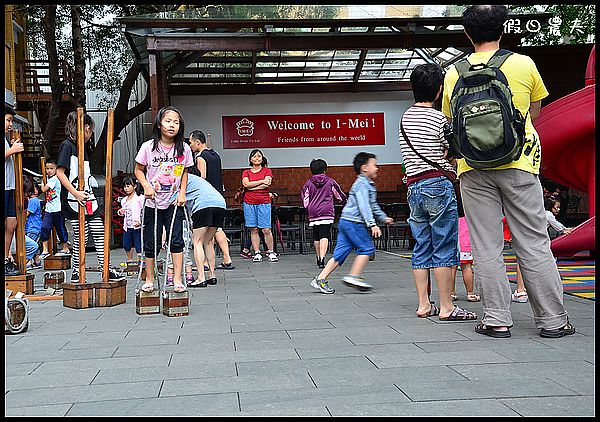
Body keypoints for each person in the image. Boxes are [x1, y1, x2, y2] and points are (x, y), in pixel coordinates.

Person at [442, 5, 574, 338]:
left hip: (472, 168)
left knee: (486, 245)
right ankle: (553, 321)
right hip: (519, 163)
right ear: (503, 29)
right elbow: (534, 112)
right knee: (533, 242)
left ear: (467, 34)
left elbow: (451, 122)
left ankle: (497, 319)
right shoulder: (522, 63)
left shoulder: (453, 72)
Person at [399, 63, 477, 321]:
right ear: (439, 90)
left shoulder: (404, 119)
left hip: (413, 187)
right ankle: (447, 307)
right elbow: (454, 151)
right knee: (444, 245)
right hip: (438, 185)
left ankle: (424, 304)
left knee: (421, 245)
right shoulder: (440, 119)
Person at [56, 111, 124, 282]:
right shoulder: (67, 145)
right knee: (81, 235)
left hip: (87, 197)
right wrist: (75, 192)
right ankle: (77, 271)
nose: (91, 133)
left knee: (99, 230)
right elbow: (60, 172)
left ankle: (105, 268)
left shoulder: (82, 148)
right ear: (85, 128)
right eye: (90, 129)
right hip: (73, 199)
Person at [310, 152, 392, 294]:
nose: (377, 168)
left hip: (346, 222)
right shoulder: (362, 184)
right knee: (367, 249)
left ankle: (320, 279)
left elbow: (373, 205)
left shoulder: (367, 184)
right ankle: (353, 276)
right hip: (354, 223)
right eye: (375, 165)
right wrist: (372, 224)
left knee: (339, 254)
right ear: (364, 168)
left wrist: (383, 218)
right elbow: (364, 206)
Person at [134, 106, 193, 293]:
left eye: (176, 122)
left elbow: (185, 172)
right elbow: (138, 170)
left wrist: (182, 193)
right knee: (152, 242)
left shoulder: (183, 148)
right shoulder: (148, 147)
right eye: (168, 121)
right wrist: (147, 187)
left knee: (177, 240)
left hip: (175, 204)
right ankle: (150, 278)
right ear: (159, 124)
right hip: (152, 203)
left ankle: (176, 278)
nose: (172, 125)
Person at [189, 130, 234, 270]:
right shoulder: (216, 155)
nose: (190, 146)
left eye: (190, 142)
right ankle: (226, 258)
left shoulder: (201, 157)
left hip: (207, 198)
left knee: (209, 233)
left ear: (198, 142)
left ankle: (208, 262)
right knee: (217, 229)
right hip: (219, 195)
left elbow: (201, 177)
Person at [301, 158, 346, 269]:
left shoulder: (308, 183)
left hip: (313, 211)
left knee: (316, 236)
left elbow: (305, 198)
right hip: (327, 211)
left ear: (311, 170)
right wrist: (344, 200)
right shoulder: (330, 181)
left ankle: (317, 257)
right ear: (325, 170)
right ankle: (322, 258)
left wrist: (308, 207)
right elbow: (339, 194)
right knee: (324, 234)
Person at [184, 173, 227, 287]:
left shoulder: (181, 178)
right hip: (220, 204)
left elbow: (176, 198)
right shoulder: (198, 180)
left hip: (203, 205)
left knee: (197, 241)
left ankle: (201, 277)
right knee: (208, 241)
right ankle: (212, 276)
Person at [241, 149, 278, 262]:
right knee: (254, 229)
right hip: (249, 203)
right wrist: (261, 182)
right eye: (255, 156)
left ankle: (270, 251)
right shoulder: (246, 172)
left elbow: (267, 184)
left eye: (259, 156)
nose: (257, 158)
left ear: (262, 159)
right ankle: (257, 252)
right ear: (250, 159)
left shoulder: (267, 171)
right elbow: (246, 184)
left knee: (266, 229)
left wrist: (251, 187)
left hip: (264, 202)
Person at [5, 104, 23, 276]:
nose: (10, 124)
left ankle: (6, 256)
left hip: (9, 187)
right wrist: (12, 150)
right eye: (8, 120)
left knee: (12, 222)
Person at [40, 158, 71, 258]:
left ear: (56, 169)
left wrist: (42, 185)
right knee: (45, 227)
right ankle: (45, 249)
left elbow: (44, 189)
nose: (49, 170)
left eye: (51, 168)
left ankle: (65, 248)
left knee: (60, 229)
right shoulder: (48, 179)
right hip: (49, 210)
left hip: (57, 209)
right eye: (47, 168)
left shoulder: (55, 179)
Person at [117, 176, 144, 263]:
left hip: (137, 226)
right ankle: (130, 261)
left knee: (139, 246)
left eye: (128, 186)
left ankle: (141, 264)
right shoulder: (124, 200)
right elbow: (123, 211)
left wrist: (140, 221)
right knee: (126, 245)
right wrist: (120, 212)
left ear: (135, 186)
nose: (126, 188)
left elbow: (144, 211)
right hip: (127, 227)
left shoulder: (140, 198)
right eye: (125, 186)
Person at [22, 177, 42, 269]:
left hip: (32, 227)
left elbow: (27, 213)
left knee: (29, 246)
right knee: (34, 244)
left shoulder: (33, 200)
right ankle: (37, 261)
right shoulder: (33, 200)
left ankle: (28, 262)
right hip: (34, 227)